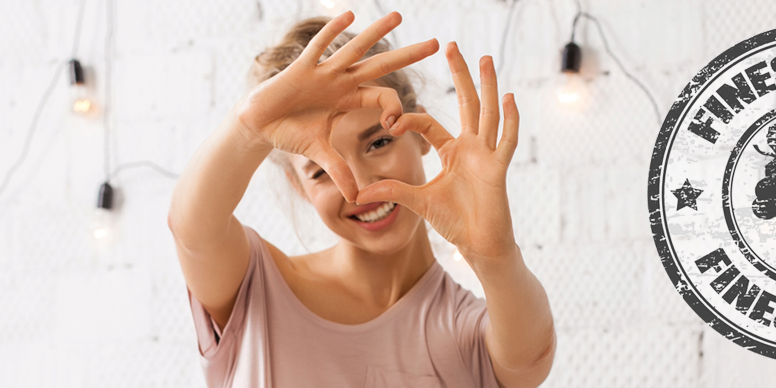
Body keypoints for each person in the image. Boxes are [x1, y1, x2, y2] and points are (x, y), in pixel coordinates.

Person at [167, 11, 557, 388]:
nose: (361, 186)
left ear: (421, 133)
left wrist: (497, 257)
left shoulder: (467, 331)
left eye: (379, 142)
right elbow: (192, 229)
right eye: (320, 170)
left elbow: (531, 361)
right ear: (298, 185)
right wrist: (248, 126)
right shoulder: (255, 291)